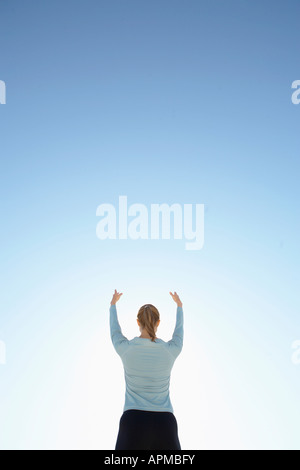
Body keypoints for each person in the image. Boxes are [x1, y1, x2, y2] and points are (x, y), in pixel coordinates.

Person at [109, 289, 184, 450]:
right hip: (164, 422)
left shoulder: (126, 348)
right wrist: (179, 307)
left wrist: (113, 305)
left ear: (138, 322)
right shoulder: (170, 350)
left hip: (133, 421)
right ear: (158, 323)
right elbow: (178, 334)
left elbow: (115, 331)